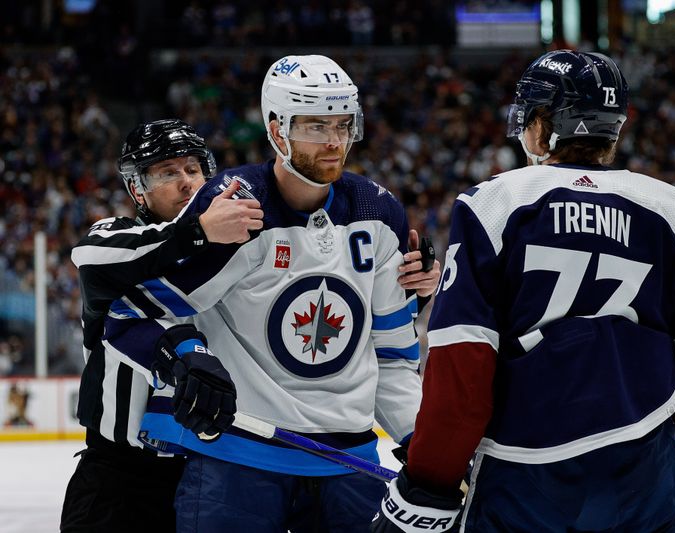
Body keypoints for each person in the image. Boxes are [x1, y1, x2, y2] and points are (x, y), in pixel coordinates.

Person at [372, 50, 675, 532]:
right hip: (647, 475)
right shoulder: (672, 208)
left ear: (546, 124)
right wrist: (668, 440)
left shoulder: (492, 205)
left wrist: (429, 484)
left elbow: (462, 376)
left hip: (527, 475)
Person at [101, 54, 438, 533]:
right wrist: (185, 354)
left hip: (349, 466)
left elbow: (392, 355)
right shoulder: (234, 209)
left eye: (344, 125)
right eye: (316, 127)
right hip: (238, 460)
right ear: (278, 131)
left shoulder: (377, 212)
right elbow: (131, 313)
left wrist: (425, 448)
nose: (335, 143)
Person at [60, 119, 265, 533]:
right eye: (168, 172)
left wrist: (411, 291)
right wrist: (197, 231)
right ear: (138, 189)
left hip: (210, 474)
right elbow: (92, 259)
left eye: (193, 169)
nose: (187, 182)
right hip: (117, 479)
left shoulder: (239, 255)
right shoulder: (117, 236)